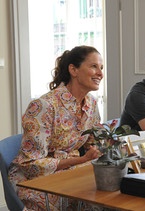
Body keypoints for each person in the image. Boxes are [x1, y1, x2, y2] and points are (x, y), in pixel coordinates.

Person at [8, 45, 103, 210]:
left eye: (101, 68)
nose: (100, 74)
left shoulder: (91, 104)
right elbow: (30, 165)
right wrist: (82, 159)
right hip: (36, 180)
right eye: (94, 66)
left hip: (72, 170)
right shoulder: (43, 106)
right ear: (73, 70)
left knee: (111, 188)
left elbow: (94, 143)